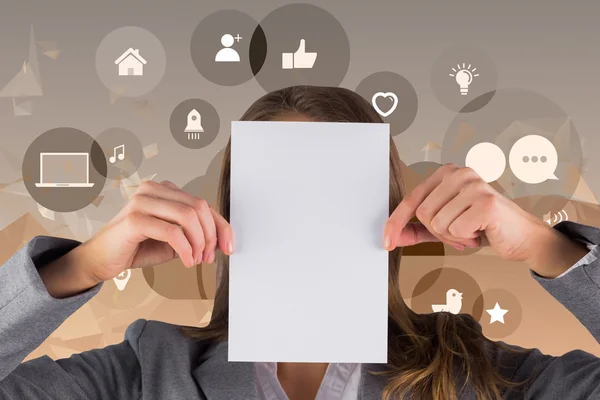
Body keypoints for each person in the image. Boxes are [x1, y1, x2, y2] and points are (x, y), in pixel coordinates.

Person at [1, 86, 600, 400]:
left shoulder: (476, 371)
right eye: (279, 188)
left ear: (390, 209)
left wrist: (547, 248)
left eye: (339, 189)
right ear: (233, 211)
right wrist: (78, 266)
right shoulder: (147, 370)